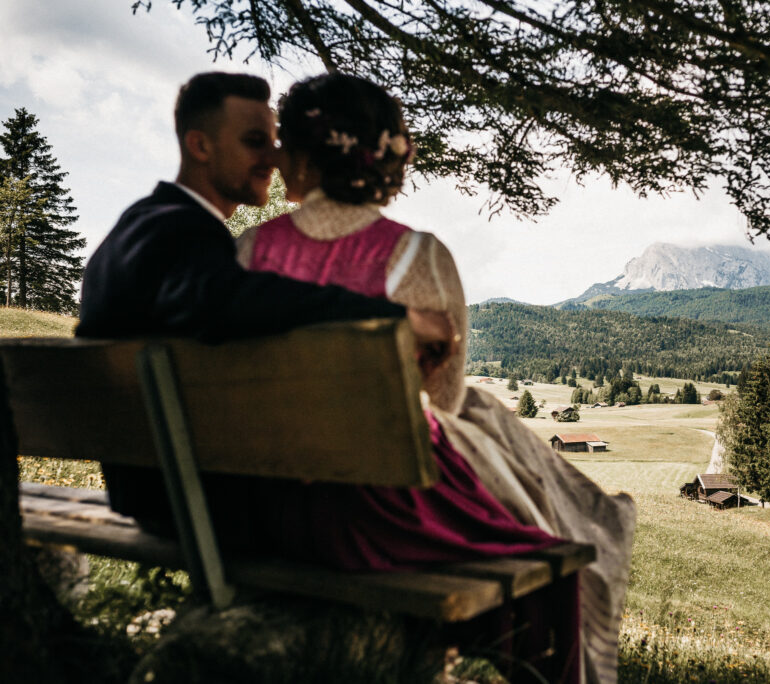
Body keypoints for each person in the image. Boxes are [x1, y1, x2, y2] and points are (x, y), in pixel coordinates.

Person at [236, 72, 636, 684]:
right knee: (554, 552)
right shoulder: (417, 257)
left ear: (303, 155)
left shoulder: (245, 253)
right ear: (384, 155)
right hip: (374, 521)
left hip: (263, 512)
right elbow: (442, 408)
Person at [76, 72, 560, 572]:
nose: (274, 157)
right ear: (199, 145)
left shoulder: (147, 226)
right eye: (255, 142)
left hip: (156, 487)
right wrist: (392, 316)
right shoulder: (187, 239)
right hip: (212, 503)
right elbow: (222, 300)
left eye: (276, 141)